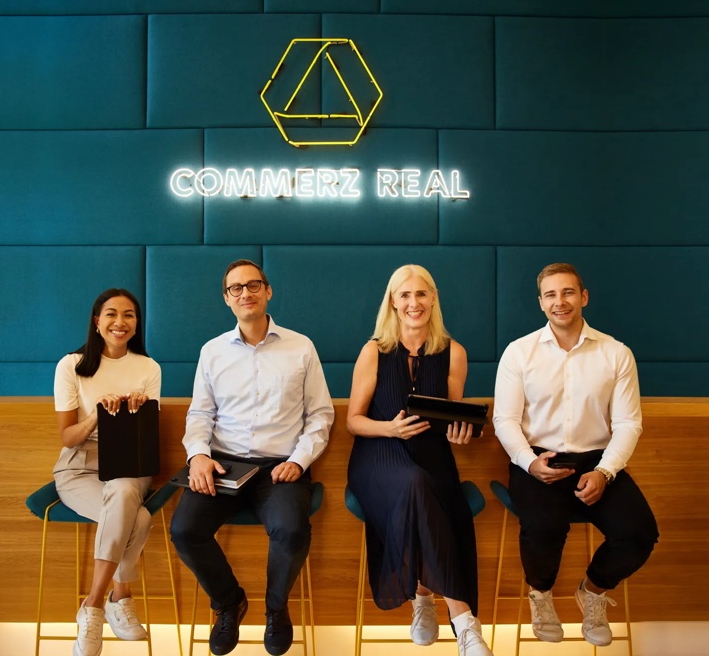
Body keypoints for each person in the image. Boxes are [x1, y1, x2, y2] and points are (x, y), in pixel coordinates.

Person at [170, 259, 334, 656]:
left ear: (268, 291)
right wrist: (198, 457)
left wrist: (299, 459)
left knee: (292, 530)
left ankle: (276, 610)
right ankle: (229, 602)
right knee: (184, 530)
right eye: (236, 288)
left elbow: (321, 415)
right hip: (224, 464)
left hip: (279, 465)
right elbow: (200, 415)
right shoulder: (212, 352)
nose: (246, 293)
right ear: (227, 299)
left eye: (253, 285)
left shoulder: (301, 346)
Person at [492, 262, 659, 647]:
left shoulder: (616, 353)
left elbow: (629, 424)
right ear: (540, 303)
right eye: (550, 295)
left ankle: (593, 591)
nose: (560, 302)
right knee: (544, 528)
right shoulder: (519, 353)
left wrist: (605, 472)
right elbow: (505, 419)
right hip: (537, 458)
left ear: (583, 297)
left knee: (640, 533)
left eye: (568, 292)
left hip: (597, 460)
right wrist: (529, 462)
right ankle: (541, 595)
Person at [345, 264, 494, 656]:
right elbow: (354, 421)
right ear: (393, 303)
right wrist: (389, 430)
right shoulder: (374, 351)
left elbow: (450, 415)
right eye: (405, 295)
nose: (414, 303)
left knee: (425, 487)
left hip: (432, 457)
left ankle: (423, 596)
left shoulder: (453, 352)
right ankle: (464, 622)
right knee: (414, 483)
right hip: (379, 455)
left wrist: (460, 431)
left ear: (433, 299)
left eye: (421, 294)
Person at [53, 288, 162, 656]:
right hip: (80, 466)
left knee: (126, 489)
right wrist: (96, 415)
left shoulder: (148, 368)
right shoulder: (71, 365)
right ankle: (120, 595)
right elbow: (68, 438)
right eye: (112, 314)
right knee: (140, 518)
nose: (120, 322)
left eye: (129, 315)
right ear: (96, 322)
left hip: (130, 463)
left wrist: (137, 413)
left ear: (136, 323)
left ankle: (93, 605)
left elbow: (147, 437)